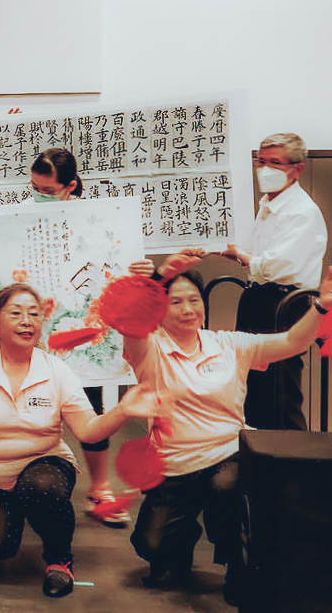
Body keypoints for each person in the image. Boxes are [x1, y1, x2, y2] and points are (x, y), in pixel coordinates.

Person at [0, 283, 158, 598]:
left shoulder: (56, 371)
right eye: (15, 313)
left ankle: (59, 559)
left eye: (34, 314)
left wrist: (124, 410)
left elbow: (87, 431)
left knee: (41, 486)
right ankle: (11, 510)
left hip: (43, 464)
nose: (26, 321)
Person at [120, 254, 332, 606]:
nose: (188, 309)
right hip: (174, 465)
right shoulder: (150, 350)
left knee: (226, 487)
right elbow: (131, 324)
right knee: (151, 545)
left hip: (226, 454)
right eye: (176, 302)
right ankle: (182, 536)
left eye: (194, 300)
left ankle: (238, 565)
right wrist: (157, 277)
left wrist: (322, 307)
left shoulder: (229, 344)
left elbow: (292, 342)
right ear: (160, 308)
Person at [26, 148, 127, 527]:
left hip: (80, 331)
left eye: (47, 191)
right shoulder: (23, 216)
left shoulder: (98, 221)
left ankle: (100, 487)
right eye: (33, 187)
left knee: (91, 406)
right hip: (33, 327)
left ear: (71, 186)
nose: (38, 196)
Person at [213, 133, 327, 431]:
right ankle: (259, 459)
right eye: (261, 161)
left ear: (297, 168)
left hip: (284, 304)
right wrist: (241, 256)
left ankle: (292, 468)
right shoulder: (268, 203)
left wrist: (244, 256)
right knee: (253, 386)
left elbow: (280, 265)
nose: (265, 169)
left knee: (280, 390)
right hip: (259, 298)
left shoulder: (302, 211)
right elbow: (263, 260)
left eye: (275, 163)